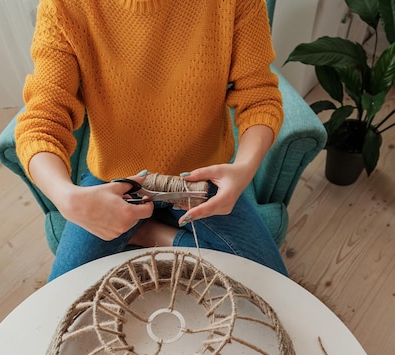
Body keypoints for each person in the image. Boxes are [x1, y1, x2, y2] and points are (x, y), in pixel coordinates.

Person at [15, 0, 288, 280]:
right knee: (64, 304)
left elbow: (259, 97)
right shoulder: (63, 7)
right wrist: (66, 196)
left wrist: (243, 169)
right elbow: (42, 122)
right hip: (116, 182)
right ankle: (156, 236)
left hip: (202, 181)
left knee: (275, 289)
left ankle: (149, 234)